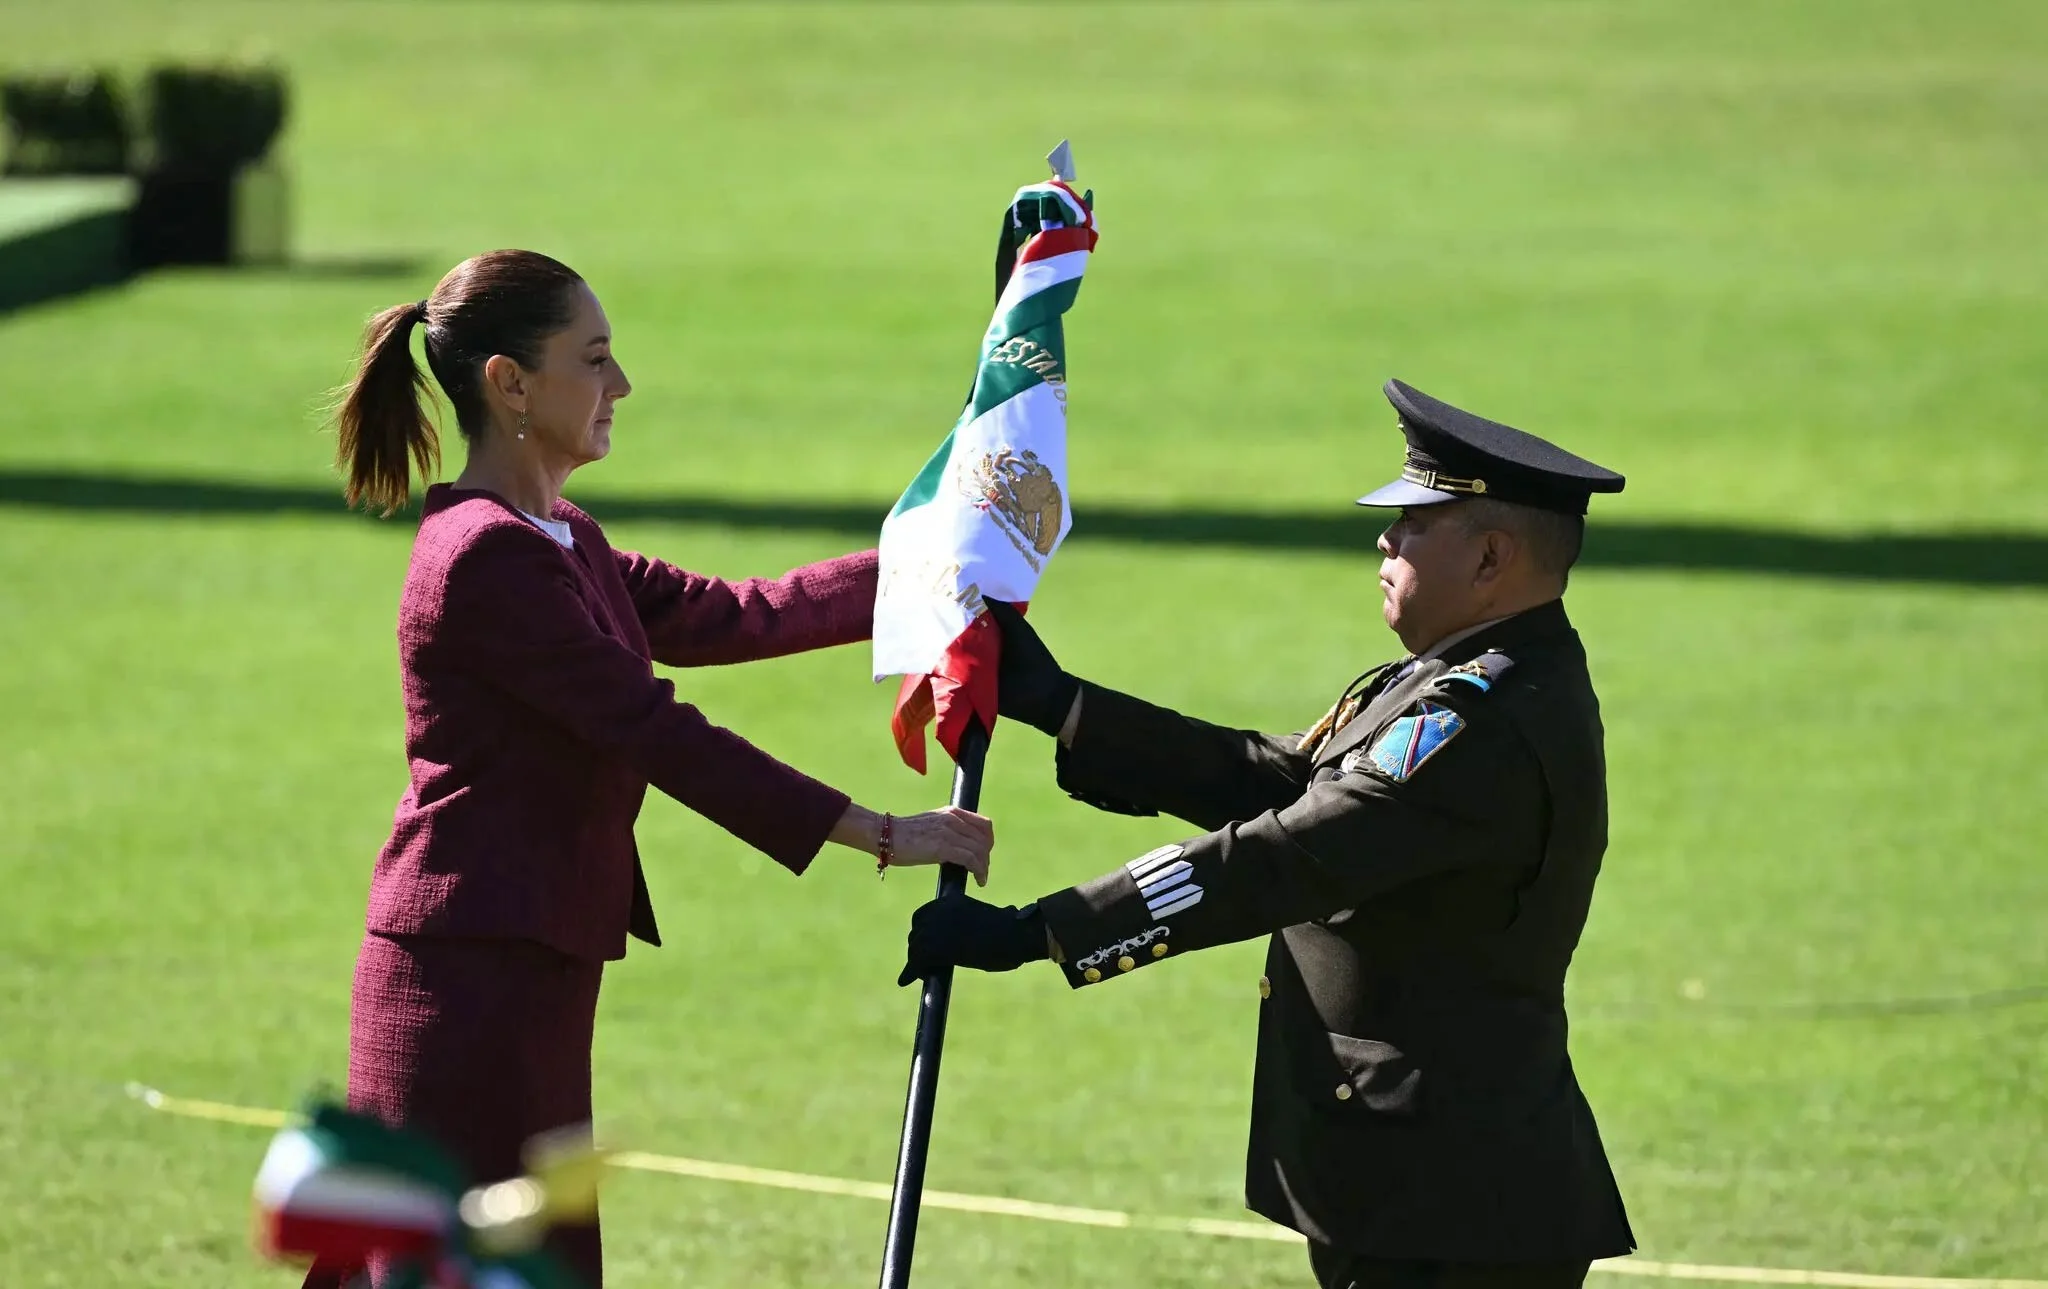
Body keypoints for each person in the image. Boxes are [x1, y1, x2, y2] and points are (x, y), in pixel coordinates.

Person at [308, 249, 995, 1289]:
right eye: (593, 359)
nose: (619, 386)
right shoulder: (484, 558)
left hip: (526, 964)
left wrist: (934, 565)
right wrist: (883, 832)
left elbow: (735, 610)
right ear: (509, 381)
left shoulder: (561, 535)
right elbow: (654, 729)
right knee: (452, 1267)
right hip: (466, 981)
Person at [899, 378, 1635, 1289]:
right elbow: (1277, 780)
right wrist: (1064, 707)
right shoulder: (1454, 676)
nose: (1386, 538)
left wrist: (1040, 930)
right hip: (1423, 1186)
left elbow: (1283, 856)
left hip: (1449, 1206)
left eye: (1413, 522)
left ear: (1491, 557)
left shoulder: (1480, 723)